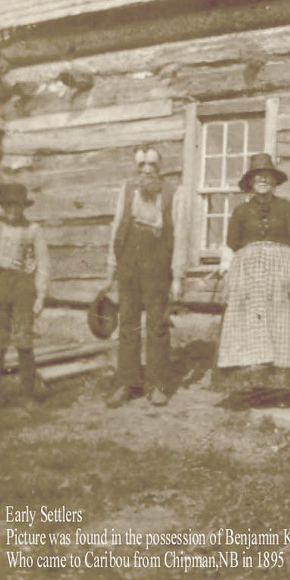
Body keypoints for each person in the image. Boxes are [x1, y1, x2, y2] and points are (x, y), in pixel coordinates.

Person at [215, 153, 290, 392]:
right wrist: (226, 278)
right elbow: (229, 247)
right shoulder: (240, 212)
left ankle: (283, 383)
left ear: (274, 181)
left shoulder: (288, 209)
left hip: (281, 272)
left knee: (281, 320)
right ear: (249, 182)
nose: (262, 180)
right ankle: (252, 384)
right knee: (250, 322)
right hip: (247, 274)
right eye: (257, 176)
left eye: (267, 176)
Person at [105, 147, 185, 408]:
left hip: (158, 264)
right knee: (127, 322)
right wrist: (111, 266)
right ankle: (127, 383)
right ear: (137, 170)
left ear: (159, 169)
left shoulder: (174, 192)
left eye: (152, 166)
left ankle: (157, 385)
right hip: (129, 261)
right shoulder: (127, 189)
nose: (146, 171)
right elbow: (117, 225)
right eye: (141, 167)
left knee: (157, 325)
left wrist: (178, 276)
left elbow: (181, 236)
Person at [0, 183, 50, 424]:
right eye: (7, 205)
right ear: (1, 207)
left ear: (23, 207)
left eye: (17, 206)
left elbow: (43, 264)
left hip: (22, 289)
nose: (12, 210)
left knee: (23, 341)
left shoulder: (33, 230)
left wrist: (41, 294)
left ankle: (28, 395)